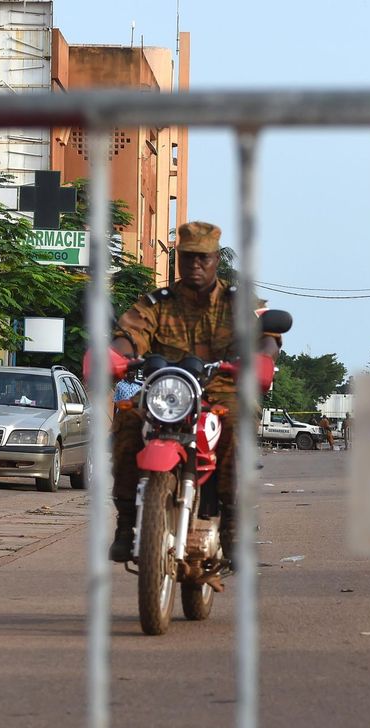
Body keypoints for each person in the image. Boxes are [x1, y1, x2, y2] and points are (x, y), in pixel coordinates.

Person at [103, 221, 283, 566]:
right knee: (127, 422)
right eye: (187, 258)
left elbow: (267, 333)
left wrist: (263, 355)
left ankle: (231, 525)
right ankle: (126, 523)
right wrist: (116, 354)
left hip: (222, 390)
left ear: (216, 259)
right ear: (177, 261)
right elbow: (129, 333)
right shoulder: (158, 303)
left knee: (237, 427)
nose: (195, 266)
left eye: (203, 259)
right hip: (166, 391)